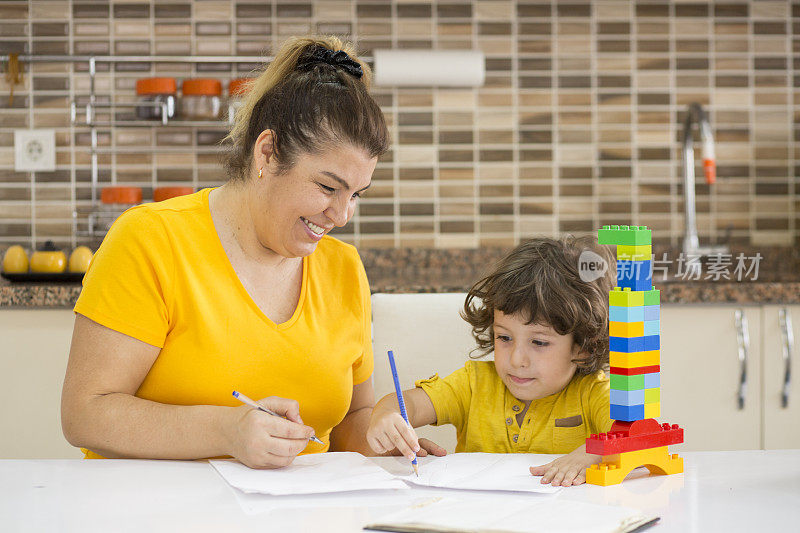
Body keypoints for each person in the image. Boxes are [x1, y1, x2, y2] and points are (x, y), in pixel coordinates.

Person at [61, 36, 441, 469]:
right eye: (327, 187)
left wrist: (381, 438)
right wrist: (227, 430)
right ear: (267, 152)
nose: (341, 215)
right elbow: (84, 414)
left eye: (356, 194)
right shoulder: (151, 240)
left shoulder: (343, 268)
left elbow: (350, 419)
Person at [366, 236, 616, 486]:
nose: (517, 359)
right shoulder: (474, 383)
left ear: (583, 345)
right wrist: (387, 415)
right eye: (504, 337)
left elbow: (635, 434)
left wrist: (592, 454)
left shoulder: (593, 393)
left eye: (539, 342)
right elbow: (409, 404)